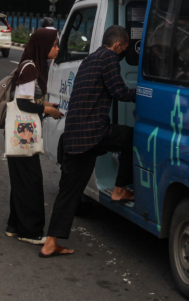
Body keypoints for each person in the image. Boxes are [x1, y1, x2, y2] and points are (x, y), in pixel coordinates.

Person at [41, 25, 135, 258]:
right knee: (130, 137)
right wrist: (146, 92)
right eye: (124, 48)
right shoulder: (110, 58)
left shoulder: (91, 58)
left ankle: (50, 242)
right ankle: (119, 189)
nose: (123, 52)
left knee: (68, 191)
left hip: (74, 135)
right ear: (117, 45)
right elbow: (120, 92)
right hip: (92, 135)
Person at [6, 28, 63, 245]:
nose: (57, 49)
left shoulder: (33, 66)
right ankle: (29, 231)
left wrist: (48, 105)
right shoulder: (30, 68)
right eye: (54, 45)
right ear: (43, 46)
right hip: (23, 134)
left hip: (22, 133)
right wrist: (49, 110)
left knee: (22, 179)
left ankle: (15, 225)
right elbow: (23, 103)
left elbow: (31, 99)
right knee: (31, 181)